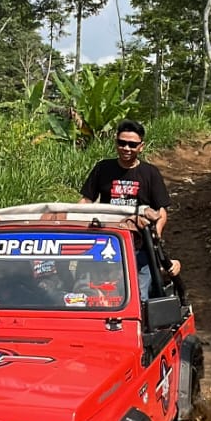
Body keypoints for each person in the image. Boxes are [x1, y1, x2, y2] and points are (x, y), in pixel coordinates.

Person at [80, 120, 170, 300]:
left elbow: (161, 211)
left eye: (132, 144)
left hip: (139, 244)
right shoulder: (103, 168)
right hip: (105, 240)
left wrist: (156, 234)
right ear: (116, 143)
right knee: (94, 292)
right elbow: (86, 200)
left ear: (141, 147)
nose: (126, 148)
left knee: (138, 295)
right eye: (122, 143)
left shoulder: (150, 173)